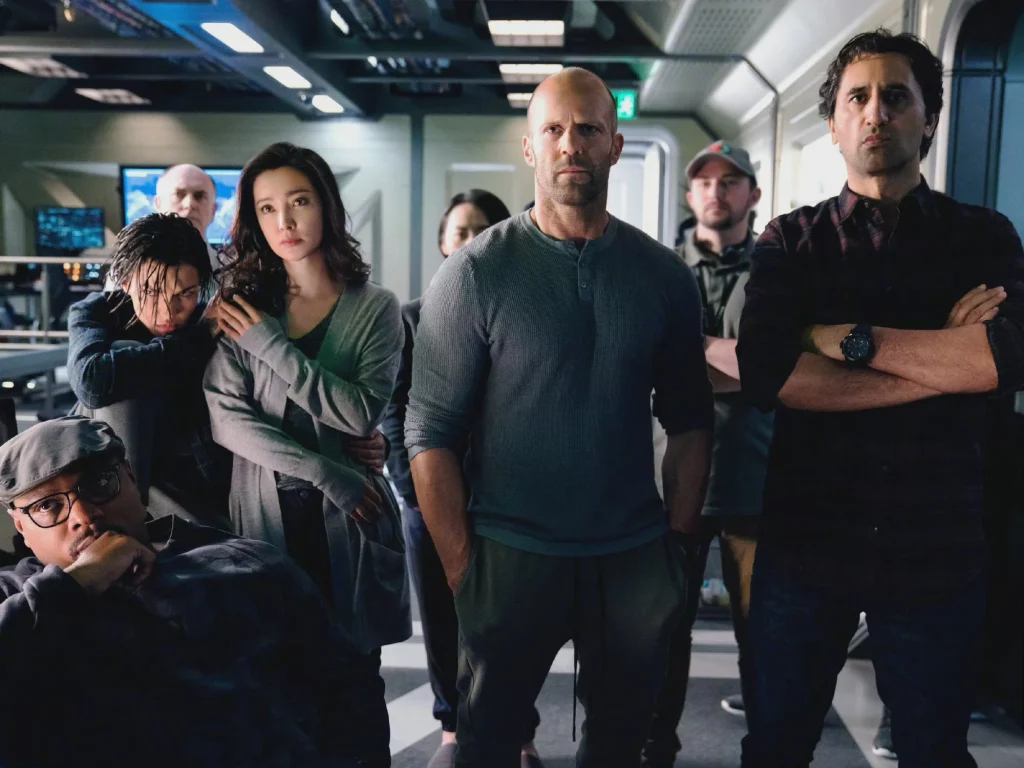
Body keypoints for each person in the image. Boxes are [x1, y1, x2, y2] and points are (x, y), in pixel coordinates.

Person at [405, 68, 714, 768]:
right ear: (530, 148)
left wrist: (677, 551)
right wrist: (463, 571)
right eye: (553, 130)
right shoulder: (474, 273)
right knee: (488, 745)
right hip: (511, 552)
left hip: (632, 554)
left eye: (588, 129)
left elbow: (691, 422)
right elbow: (429, 433)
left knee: (618, 746)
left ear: (615, 145)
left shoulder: (663, 276)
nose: (571, 144)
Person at [736, 29, 1024, 768]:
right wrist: (942, 360)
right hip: (808, 540)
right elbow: (771, 376)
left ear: (929, 118)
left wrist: (846, 339)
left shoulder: (983, 237)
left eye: (896, 97)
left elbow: (1003, 361)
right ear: (833, 125)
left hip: (936, 545)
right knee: (774, 747)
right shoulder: (790, 242)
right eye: (857, 98)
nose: (875, 113)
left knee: (933, 752)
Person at [0, 416, 381, 768]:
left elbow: (347, 686)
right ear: (21, 528)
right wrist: (82, 578)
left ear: (132, 480)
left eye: (99, 484)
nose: (84, 516)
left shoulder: (244, 565)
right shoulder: (13, 600)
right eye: (48, 506)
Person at [204, 141, 411, 768]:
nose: (285, 222)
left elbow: (358, 413)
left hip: (350, 525)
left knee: (355, 687)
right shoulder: (242, 307)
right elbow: (227, 419)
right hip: (267, 518)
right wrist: (323, 470)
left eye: (298, 202)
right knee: (280, 687)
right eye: (267, 209)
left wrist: (271, 346)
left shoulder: (375, 308)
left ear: (327, 207)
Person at [383, 190, 547, 768]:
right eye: (460, 230)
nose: (471, 240)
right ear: (442, 241)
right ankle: (452, 726)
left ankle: (518, 730)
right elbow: (394, 411)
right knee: (442, 618)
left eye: (484, 229)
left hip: (507, 502)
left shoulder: (526, 317)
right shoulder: (409, 318)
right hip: (428, 496)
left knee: (513, 621)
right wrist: (413, 491)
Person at [644, 141, 772, 768]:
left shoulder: (780, 269)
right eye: (704, 182)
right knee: (665, 627)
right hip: (673, 480)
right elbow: (647, 362)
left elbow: (775, 366)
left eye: (730, 181)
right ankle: (655, 747)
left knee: (765, 636)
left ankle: (769, 751)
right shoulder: (657, 269)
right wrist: (740, 361)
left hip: (757, 482)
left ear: (753, 193)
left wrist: (693, 352)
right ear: (690, 194)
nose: (716, 192)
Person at [68, 213, 229, 524]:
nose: (168, 311)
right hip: (100, 469)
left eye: (185, 293)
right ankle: (125, 517)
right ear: (126, 283)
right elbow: (91, 381)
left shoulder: (207, 318)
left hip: (182, 470)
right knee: (120, 352)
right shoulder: (98, 311)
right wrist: (195, 339)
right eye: (151, 292)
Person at [154, 163, 221, 270]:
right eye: (179, 194)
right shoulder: (132, 271)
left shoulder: (235, 273)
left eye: (200, 196)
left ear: (213, 210)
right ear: (159, 204)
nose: (189, 204)